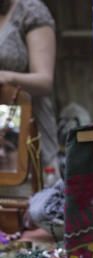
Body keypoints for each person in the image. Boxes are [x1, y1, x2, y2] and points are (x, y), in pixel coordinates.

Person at [0, 0, 59, 180]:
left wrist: (7, 77)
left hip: (26, 125)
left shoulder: (30, 11)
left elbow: (44, 80)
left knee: (30, 198)